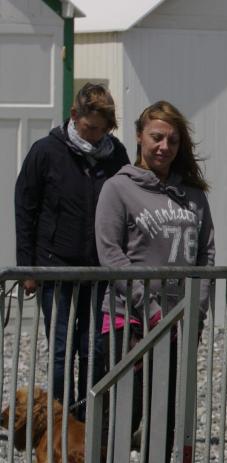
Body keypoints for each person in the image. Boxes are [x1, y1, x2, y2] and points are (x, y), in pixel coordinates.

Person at [95, 100, 215, 463]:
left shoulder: (193, 196)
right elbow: (111, 254)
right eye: (156, 137)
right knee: (121, 417)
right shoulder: (118, 188)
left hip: (177, 322)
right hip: (129, 322)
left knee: (164, 420)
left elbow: (206, 254)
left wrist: (195, 311)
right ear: (139, 137)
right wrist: (150, 309)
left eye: (172, 140)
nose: (164, 146)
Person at [14, 82, 129, 418]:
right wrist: (28, 268)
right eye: (90, 128)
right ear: (74, 116)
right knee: (62, 350)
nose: (95, 136)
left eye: (102, 130)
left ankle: (87, 419)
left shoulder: (116, 155)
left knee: (92, 348)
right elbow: (26, 207)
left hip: (99, 270)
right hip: (55, 268)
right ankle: (60, 419)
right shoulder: (45, 151)